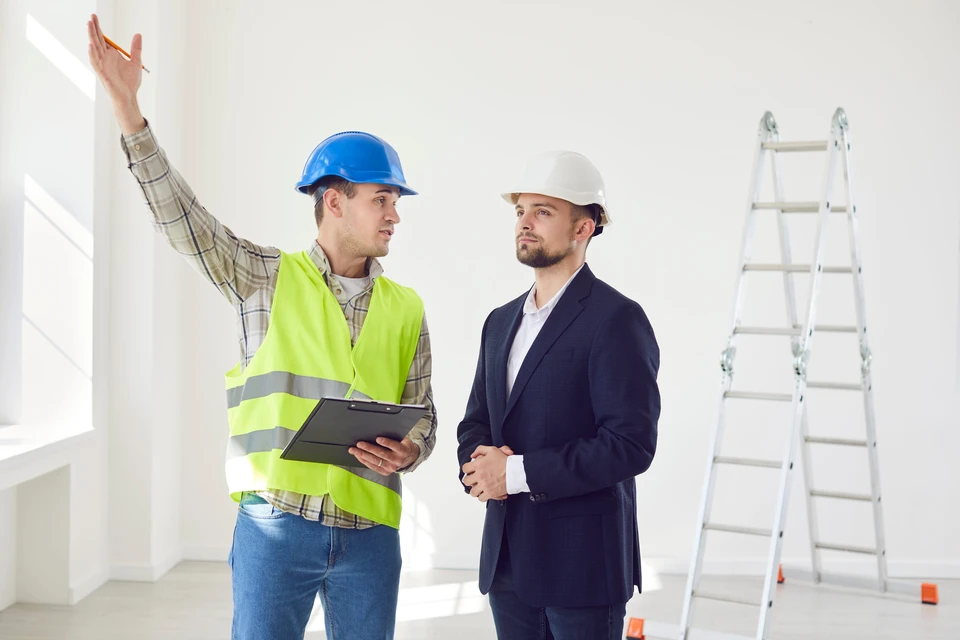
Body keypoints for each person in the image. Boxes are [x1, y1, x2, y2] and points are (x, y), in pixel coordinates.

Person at [86, 15, 436, 640]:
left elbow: (423, 416)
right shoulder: (263, 277)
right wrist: (129, 112)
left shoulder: (407, 306)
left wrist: (412, 450)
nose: (394, 216)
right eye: (381, 199)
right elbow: (184, 220)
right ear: (335, 200)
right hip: (276, 528)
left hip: (371, 538)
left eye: (396, 202)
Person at [457, 150, 660, 639]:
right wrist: (480, 472)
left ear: (583, 228)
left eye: (543, 212)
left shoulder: (616, 319)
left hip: (582, 568)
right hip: (508, 563)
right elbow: (476, 422)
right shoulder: (499, 322)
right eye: (520, 211)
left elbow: (630, 445)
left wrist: (514, 473)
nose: (524, 223)